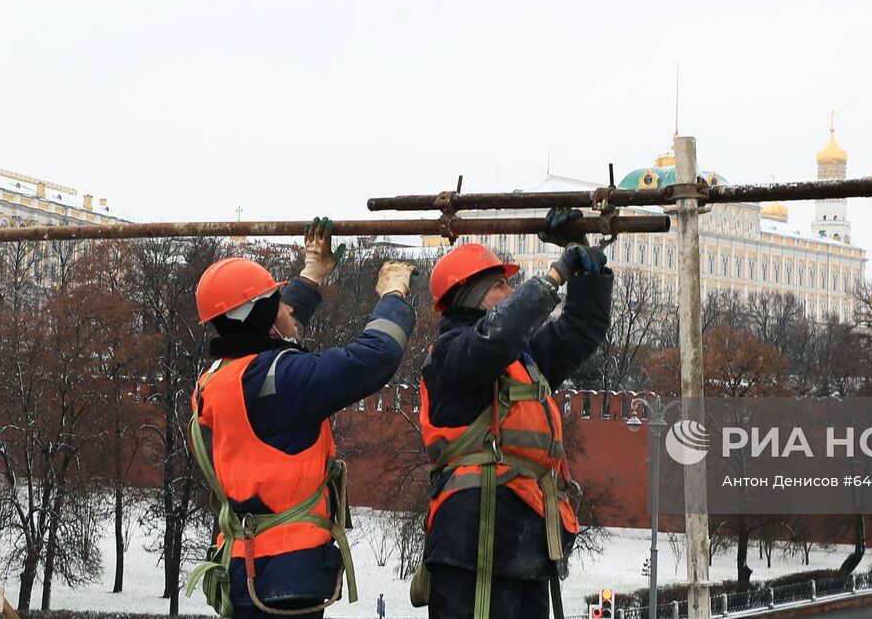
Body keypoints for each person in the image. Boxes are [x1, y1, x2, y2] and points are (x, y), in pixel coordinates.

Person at [187, 219, 418, 619]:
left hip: (247, 563)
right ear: (261, 316)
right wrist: (393, 296)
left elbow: (269, 330)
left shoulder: (218, 380)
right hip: (289, 572)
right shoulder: (280, 382)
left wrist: (311, 276)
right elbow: (375, 358)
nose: (287, 307)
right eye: (276, 300)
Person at [415, 209, 613, 619]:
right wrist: (555, 275)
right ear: (469, 295)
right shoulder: (450, 356)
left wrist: (584, 265)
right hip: (472, 541)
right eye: (500, 285)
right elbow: (497, 337)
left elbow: (581, 329)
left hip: (526, 540)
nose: (510, 292)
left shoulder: (525, 360)